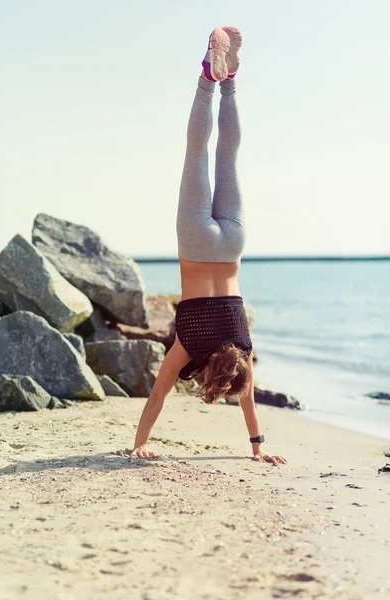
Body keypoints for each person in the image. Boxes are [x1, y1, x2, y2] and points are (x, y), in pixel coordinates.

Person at [131, 27, 287, 466]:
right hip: (197, 242)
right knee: (197, 154)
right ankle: (207, 76)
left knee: (227, 157)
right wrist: (140, 441)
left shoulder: (243, 342)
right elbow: (159, 392)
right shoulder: (191, 345)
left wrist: (260, 448)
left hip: (233, 244)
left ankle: (230, 79)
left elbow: (249, 400)